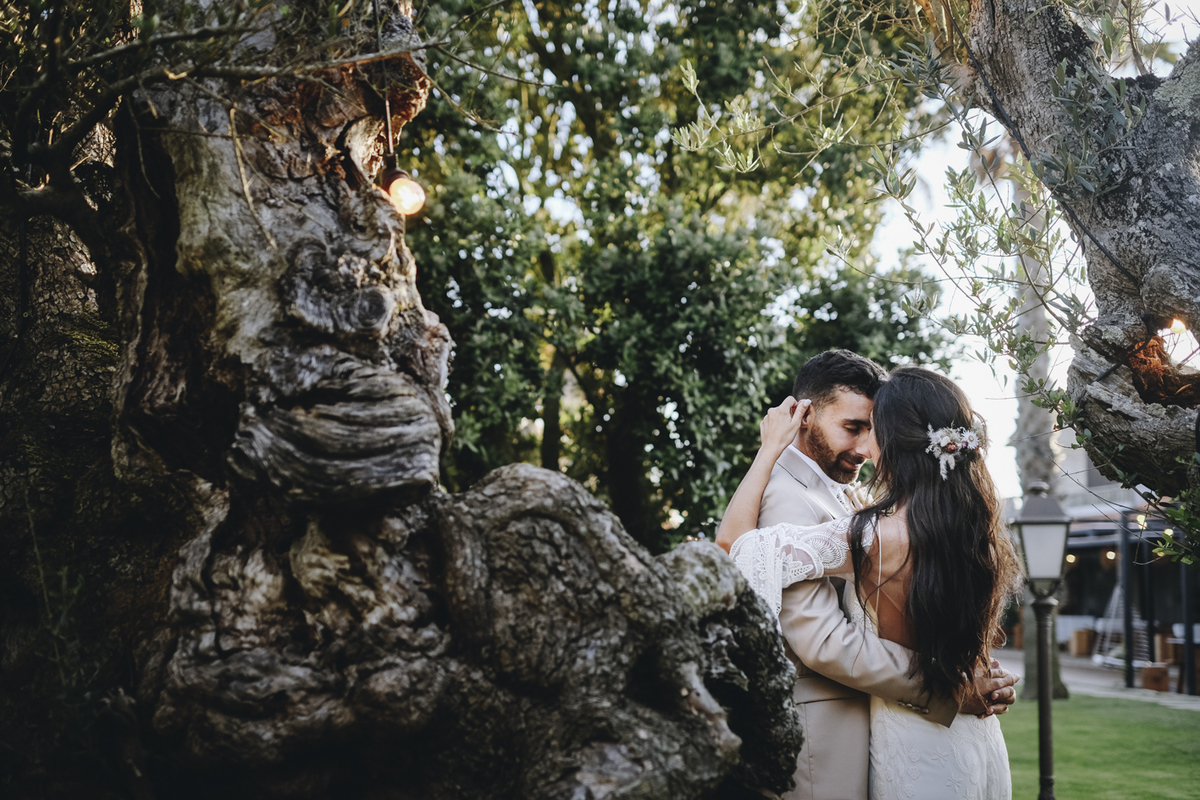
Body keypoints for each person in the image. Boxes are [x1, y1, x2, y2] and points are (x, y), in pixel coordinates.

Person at [720, 365, 1022, 800]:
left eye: (873, 428)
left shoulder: (876, 523)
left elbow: (736, 544)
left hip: (909, 735)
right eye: (853, 427)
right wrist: (954, 685)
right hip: (839, 736)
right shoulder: (966, 519)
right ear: (804, 416)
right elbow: (823, 639)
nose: (864, 446)